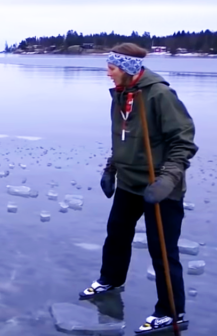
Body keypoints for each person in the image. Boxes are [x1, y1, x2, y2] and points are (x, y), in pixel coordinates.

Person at [78, 42, 198, 334]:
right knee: (117, 234)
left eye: (112, 67)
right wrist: (111, 167)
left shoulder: (158, 94)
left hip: (160, 186)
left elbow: (183, 141)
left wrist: (167, 180)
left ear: (128, 69)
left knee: (163, 251)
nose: (107, 73)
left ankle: (172, 312)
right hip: (129, 183)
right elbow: (123, 139)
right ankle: (111, 279)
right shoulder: (121, 94)